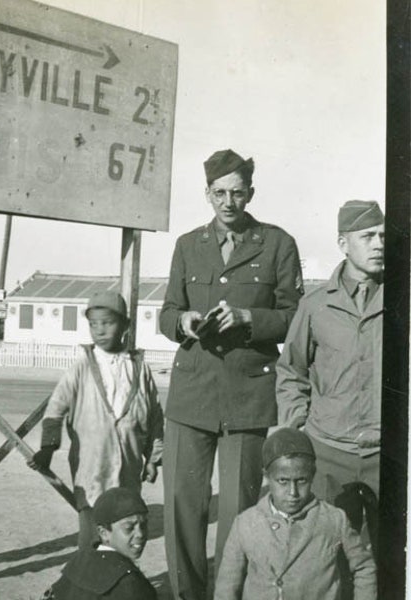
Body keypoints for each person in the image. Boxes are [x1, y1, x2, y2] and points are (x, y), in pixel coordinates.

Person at [159, 149, 304, 599]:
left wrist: (247, 318)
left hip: (247, 397)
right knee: (184, 508)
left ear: (250, 194)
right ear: (207, 193)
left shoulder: (278, 243)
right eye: (219, 193)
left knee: (239, 512)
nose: (228, 202)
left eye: (237, 193)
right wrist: (181, 322)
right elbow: (167, 312)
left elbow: (295, 316)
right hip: (191, 396)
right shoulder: (187, 245)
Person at [276, 200, 384, 552]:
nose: (379, 244)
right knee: (328, 556)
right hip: (329, 454)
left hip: (388, 456)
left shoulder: (402, 298)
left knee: (392, 557)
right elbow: (291, 370)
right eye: (367, 236)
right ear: (343, 243)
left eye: (383, 235)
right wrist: (299, 431)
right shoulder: (316, 305)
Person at [29, 291, 163, 549]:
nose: (100, 330)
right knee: (91, 535)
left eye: (108, 323)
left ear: (125, 325)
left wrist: (153, 460)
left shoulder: (139, 369)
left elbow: (154, 417)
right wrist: (47, 448)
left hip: (128, 470)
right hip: (91, 471)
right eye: (93, 324)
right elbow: (55, 410)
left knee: (124, 532)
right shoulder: (80, 369)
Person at [214, 428, 377, 600]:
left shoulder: (334, 519)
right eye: (283, 481)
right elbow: (227, 586)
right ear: (267, 477)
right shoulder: (246, 523)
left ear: (312, 476)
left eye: (301, 481)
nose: (293, 493)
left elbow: (364, 568)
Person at [41, 487, 157, 600]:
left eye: (143, 525)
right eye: (129, 527)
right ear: (103, 532)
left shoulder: (78, 561)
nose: (140, 534)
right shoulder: (132, 584)